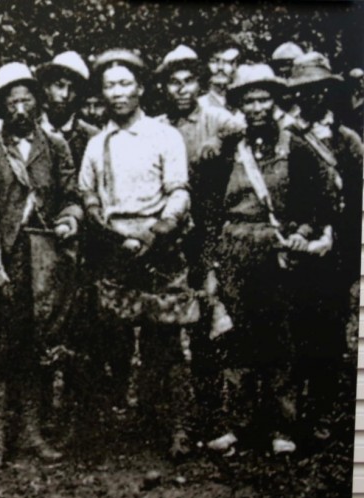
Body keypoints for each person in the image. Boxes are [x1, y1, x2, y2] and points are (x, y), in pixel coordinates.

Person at [207, 64, 337, 455]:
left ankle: (283, 426)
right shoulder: (229, 149)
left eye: (264, 98)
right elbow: (211, 206)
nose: (257, 107)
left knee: (281, 339)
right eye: (249, 100)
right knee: (235, 340)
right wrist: (213, 259)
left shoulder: (295, 146)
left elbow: (318, 202)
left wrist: (300, 232)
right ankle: (239, 426)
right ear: (240, 105)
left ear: (276, 101)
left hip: (277, 253)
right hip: (235, 249)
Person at [78, 50, 198, 458]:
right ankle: (123, 425)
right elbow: (89, 195)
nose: (118, 93)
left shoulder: (165, 136)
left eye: (125, 83)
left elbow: (179, 190)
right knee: (110, 339)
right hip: (115, 249)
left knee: (165, 341)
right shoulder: (97, 144)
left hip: (159, 248)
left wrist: (157, 232)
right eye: (110, 85)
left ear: (141, 88)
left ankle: (177, 427)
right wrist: (109, 231)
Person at [0, 62, 79, 469]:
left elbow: (71, 196)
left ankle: (32, 434)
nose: (19, 108)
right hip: (3, 259)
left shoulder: (56, 147)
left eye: (26, 99)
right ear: (0, 105)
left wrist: (69, 220)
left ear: (37, 101)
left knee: (37, 347)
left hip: (45, 262)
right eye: (10, 101)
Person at [152, 45, 245, 437]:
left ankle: (215, 416)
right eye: (174, 82)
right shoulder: (158, 124)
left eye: (188, 80)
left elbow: (245, 123)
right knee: (168, 324)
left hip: (210, 231)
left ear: (199, 82)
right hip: (171, 233)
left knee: (212, 323)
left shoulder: (217, 117)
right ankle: (170, 420)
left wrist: (220, 141)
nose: (181, 89)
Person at [285, 52, 363, 442]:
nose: (312, 97)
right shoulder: (285, 134)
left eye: (319, 90)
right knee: (294, 327)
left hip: (335, 250)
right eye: (304, 90)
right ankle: (291, 412)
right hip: (295, 241)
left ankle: (322, 412)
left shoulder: (345, 140)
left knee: (329, 331)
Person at [37, 51, 100, 168]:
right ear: (46, 87)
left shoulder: (92, 138)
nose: (65, 94)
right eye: (59, 86)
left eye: (72, 89)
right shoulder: (30, 131)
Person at [199, 35, 241, 114]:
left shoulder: (244, 104)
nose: (220, 67)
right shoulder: (200, 106)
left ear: (237, 65)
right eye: (214, 61)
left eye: (227, 62)